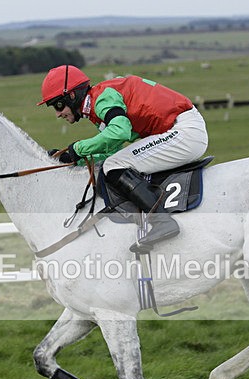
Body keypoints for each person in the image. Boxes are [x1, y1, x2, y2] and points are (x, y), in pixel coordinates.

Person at [37, 65, 208, 253]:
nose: (57, 113)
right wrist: (72, 159)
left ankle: (162, 221)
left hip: (183, 132)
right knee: (114, 162)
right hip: (181, 130)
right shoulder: (98, 101)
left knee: (113, 166)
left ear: (71, 96)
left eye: (58, 105)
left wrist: (79, 148)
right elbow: (113, 148)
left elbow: (120, 131)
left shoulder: (102, 99)